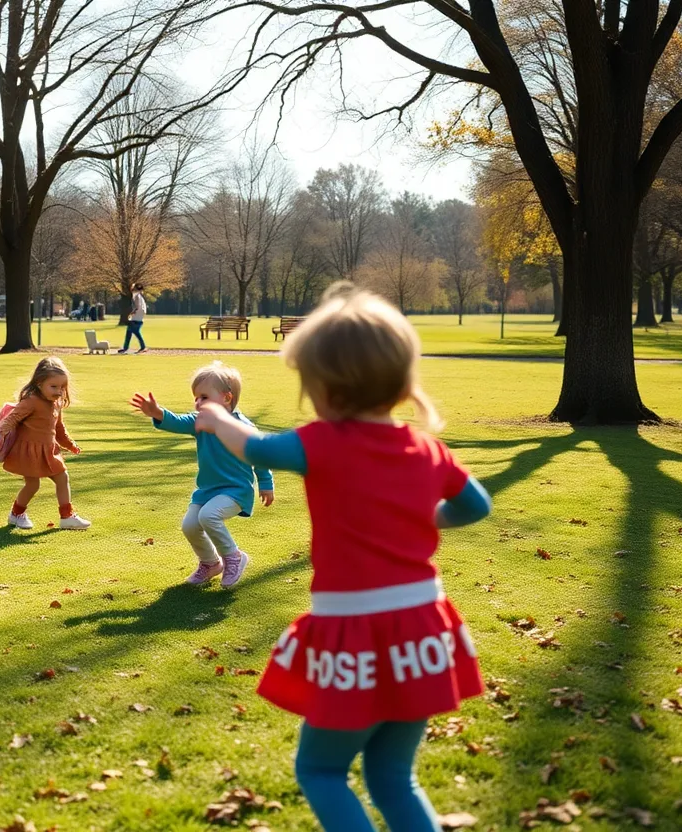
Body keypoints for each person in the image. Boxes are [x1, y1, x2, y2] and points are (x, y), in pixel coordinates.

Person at [193, 282, 491, 832]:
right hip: (423, 627)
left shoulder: (321, 443)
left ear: (324, 386)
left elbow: (257, 448)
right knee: (395, 778)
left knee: (323, 770)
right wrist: (431, 519)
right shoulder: (428, 449)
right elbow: (476, 504)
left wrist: (214, 418)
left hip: (355, 628)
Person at [131, 362, 274, 588]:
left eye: (204, 397)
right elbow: (176, 421)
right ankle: (210, 563)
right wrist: (157, 413)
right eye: (196, 398)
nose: (198, 403)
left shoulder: (243, 427)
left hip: (236, 490)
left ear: (226, 399)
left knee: (208, 516)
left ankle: (233, 557)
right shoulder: (199, 422)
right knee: (189, 525)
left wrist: (266, 484)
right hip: (207, 490)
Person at [0, 357, 91, 531]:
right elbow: (12, 418)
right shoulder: (31, 401)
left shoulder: (56, 404)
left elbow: (59, 428)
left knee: (62, 477)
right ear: (39, 383)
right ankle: (16, 514)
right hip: (29, 452)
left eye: (62, 387)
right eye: (54, 387)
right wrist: (0, 433)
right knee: (33, 485)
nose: (59, 391)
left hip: (49, 451)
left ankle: (67, 516)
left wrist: (70, 444)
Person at [119, 283, 147, 353]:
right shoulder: (139, 296)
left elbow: (137, 307)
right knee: (129, 332)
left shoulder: (136, 296)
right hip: (138, 317)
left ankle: (143, 347)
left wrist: (132, 313)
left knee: (136, 333)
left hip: (136, 318)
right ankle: (125, 347)